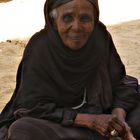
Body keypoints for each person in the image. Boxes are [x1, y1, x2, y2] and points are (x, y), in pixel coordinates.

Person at [0, 0, 140, 140]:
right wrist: (89, 120)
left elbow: (120, 83)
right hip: (63, 127)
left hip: (104, 119)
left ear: (94, 19)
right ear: (54, 20)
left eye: (84, 18)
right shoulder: (39, 47)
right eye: (67, 18)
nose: (76, 27)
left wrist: (118, 121)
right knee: (23, 129)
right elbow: (31, 106)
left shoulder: (100, 37)